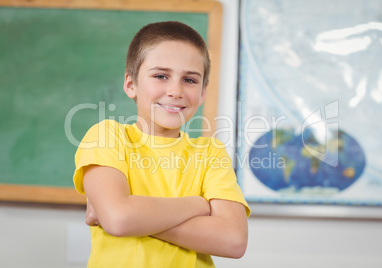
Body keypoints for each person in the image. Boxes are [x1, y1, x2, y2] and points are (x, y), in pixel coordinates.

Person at [73, 21, 250, 268]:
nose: (175, 90)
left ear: (202, 93)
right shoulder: (107, 136)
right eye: (160, 76)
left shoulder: (211, 153)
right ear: (131, 84)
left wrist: (135, 217)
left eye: (189, 80)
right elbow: (119, 220)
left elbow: (233, 241)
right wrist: (198, 205)